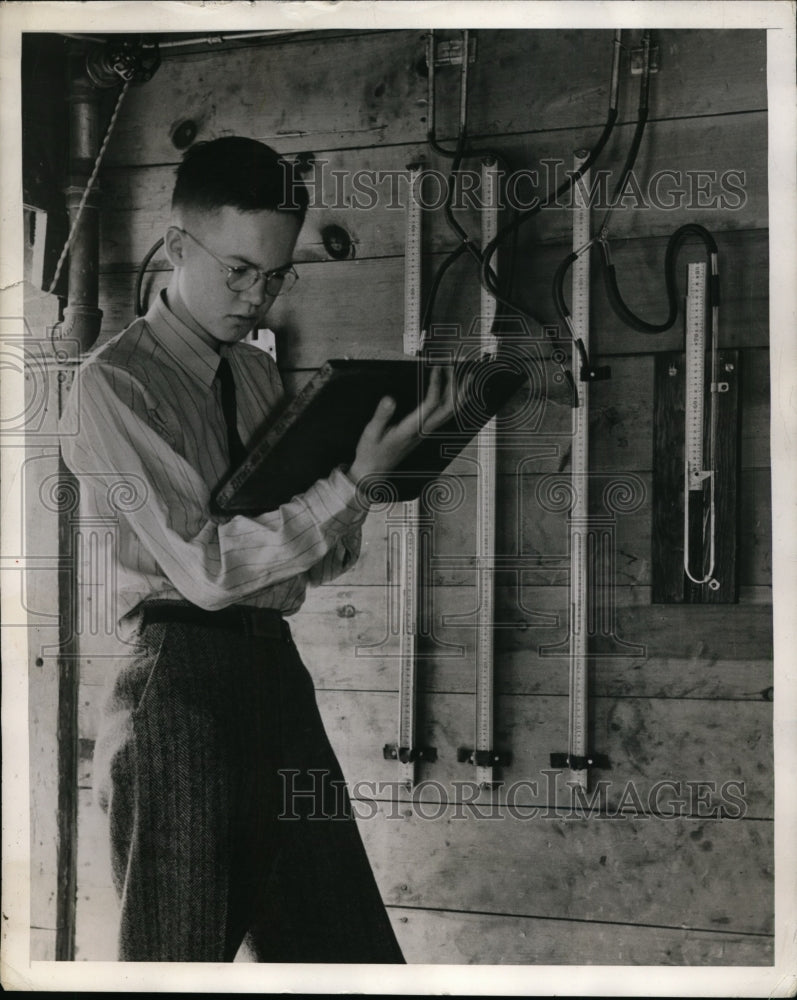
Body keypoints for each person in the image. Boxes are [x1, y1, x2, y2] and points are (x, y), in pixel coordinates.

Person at [59, 136, 454, 962]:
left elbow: (313, 564)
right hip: (179, 684)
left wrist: (375, 476)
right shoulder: (113, 384)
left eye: (275, 276)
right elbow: (206, 572)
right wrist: (346, 489)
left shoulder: (259, 376)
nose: (256, 296)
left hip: (274, 671)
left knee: (351, 962)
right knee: (175, 961)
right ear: (176, 247)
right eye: (239, 270)